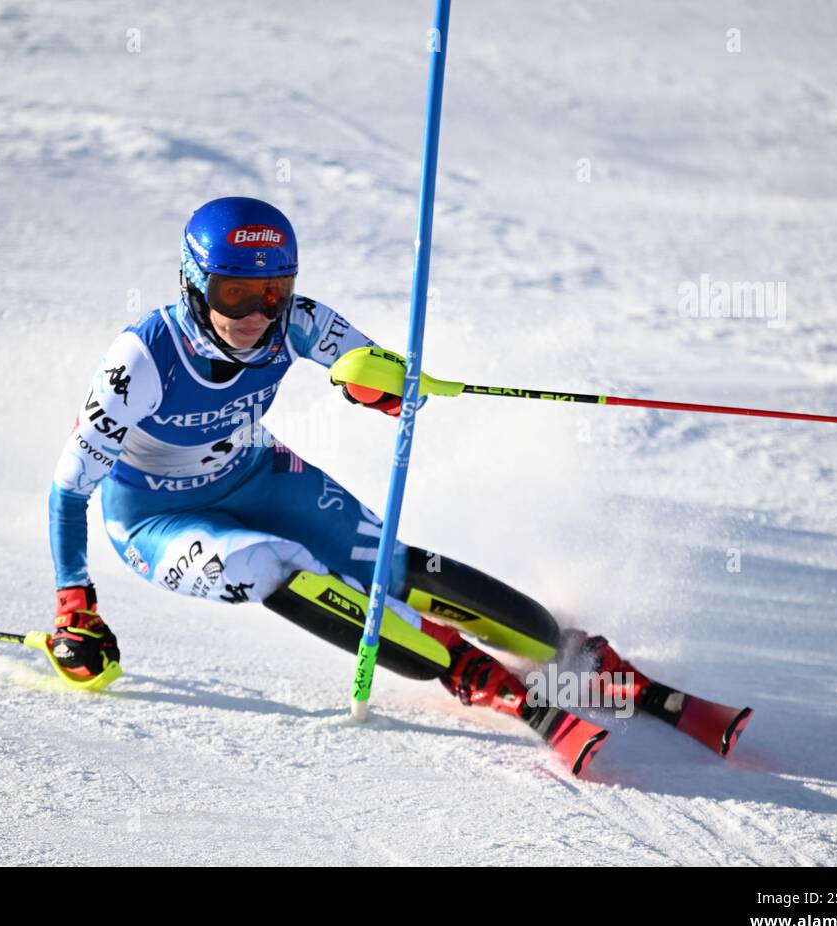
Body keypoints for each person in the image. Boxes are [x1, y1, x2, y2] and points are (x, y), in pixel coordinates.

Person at [45, 196, 627, 718]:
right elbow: (70, 488)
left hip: (257, 474)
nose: (257, 315)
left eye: (274, 291)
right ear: (194, 284)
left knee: (382, 562)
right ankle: (459, 667)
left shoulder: (294, 322)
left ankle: (555, 646)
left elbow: (384, 372)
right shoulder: (142, 360)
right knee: (264, 563)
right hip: (155, 517)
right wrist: (74, 607)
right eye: (235, 293)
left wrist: (386, 389)